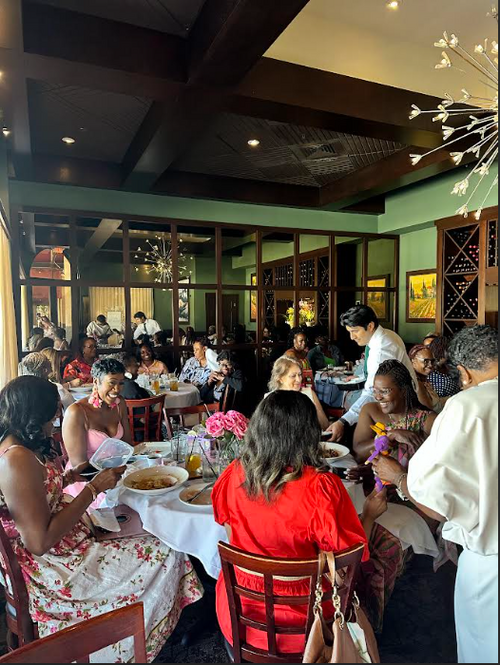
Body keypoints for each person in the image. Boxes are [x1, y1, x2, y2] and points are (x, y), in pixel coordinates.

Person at [0, 375, 202, 662]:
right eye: (51, 415)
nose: (54, 422)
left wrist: (72, 476)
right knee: (168, 550)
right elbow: (38, 543)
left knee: (143, 529)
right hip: (54, 566)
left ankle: (147, 619)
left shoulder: (20, 446)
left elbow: (36, 494)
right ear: (33, 414)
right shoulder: (15, 459)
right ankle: (128, 635)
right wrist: (93, 489)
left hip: (70, 538)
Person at [212, 390, 387, 654]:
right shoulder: (320, 487)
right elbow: (348, 564)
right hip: (307, 622)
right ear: (308, 434)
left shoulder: (233, 473)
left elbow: (231, 533)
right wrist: (370, 515)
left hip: (239, 612)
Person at [372, 325, 498, 663]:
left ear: (464, 373)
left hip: (490, 564)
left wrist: (398, 477)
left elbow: (435, 504)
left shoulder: (466, 407)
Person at [327, 305, 417, 442]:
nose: (352, 337)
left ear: (370, 326)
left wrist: (343, 421)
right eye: (349, 332)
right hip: (397, 399)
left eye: (355, 331)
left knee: (357, 438)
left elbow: (372, 393)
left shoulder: (382, 349)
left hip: (403, 406)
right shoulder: (386, 335)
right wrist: (362, 376)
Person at [62, 358, 133, 507]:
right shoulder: (77, 412)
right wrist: (109, 481)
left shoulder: (119, 404)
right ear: (96, 382)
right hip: (86, 484)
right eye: (112, 383)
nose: (117, 389)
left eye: (121, 383)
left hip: (115, 474)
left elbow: (127, 445)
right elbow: (79, 467)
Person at [267, 356, 329, 430]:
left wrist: (313, 408)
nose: (299, 379)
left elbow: (325, 425)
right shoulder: (271, 399)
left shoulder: (308, 393)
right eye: (293, 376)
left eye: (299, 375)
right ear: (280, 379)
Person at [408, 344, 445, 412]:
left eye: (432, 361)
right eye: (426, 361)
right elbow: (428, 412)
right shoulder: (416, 383)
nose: (430, 365)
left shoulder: (423, 380)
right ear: (413, 361)